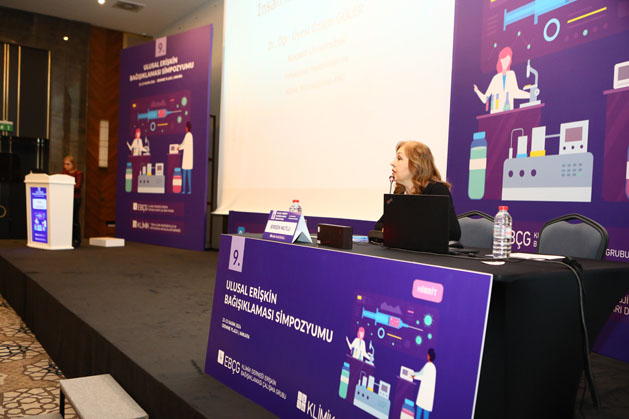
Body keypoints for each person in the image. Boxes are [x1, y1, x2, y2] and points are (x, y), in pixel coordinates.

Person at [375, 141, 461, 241]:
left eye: (399, 158)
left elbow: (453, 233)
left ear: (416, 164)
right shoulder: (400, 192)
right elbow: (379, 225)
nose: (392, 163)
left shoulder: (437, 190)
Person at [473, 46, 529, 112]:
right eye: (504, 59)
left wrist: (530, 95)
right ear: (500, 60)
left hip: (508, 112)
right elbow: (485, 99)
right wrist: (477, 91)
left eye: (508, 59)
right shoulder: (495, 78)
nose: (506, 62)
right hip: (495, 113)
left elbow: (515, 92)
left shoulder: (511, 74)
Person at [62, 155, 83, 248]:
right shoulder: (63, 173)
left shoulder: (78, 173)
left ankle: (77, 239)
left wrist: (66, 186)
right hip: (65, 198)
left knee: (74, 219)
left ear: (73, 164)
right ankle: (67, 238)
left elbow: (78, 186)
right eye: (64, 164)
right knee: (66, 219)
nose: (66, 166)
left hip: (75, 198)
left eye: (68, 164)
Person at [413, 348, 437, 419]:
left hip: (423, 394)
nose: (427, 356)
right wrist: (413, 373)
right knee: (426, 415)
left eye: (427, 355)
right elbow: (420, 373)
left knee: (418, 413)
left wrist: (414, 376)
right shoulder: (434, 368)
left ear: (429, 356)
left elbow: (422, 376)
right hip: (428, 396)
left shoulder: (428, 365)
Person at [178, 121, 194, 194]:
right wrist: (179, 146)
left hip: (187, 158)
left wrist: (179, 148)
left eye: (186, 127)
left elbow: (184, 145)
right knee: (188, 175)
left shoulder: (188, 135)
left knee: (185, 175)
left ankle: (185, 190)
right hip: (188, 159)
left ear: (187, 128)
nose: (185, 128)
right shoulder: (189, 135)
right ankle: (188, 190)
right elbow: (183, 143)